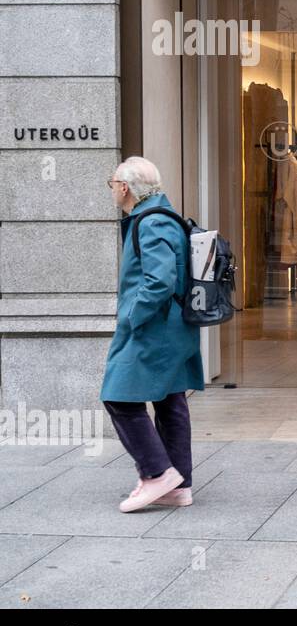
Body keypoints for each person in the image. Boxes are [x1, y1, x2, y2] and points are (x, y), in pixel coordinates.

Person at [102, 157, 203, 512]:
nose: (111, 189)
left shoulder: (151, 223)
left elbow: (159, 281)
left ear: (125, 187)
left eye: (112, 183)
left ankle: (157, 474)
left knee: (118, 397)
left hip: (154, 330)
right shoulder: (162, 216)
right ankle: (180, 485)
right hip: (172, 328)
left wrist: (131, 317)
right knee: (170, 400)